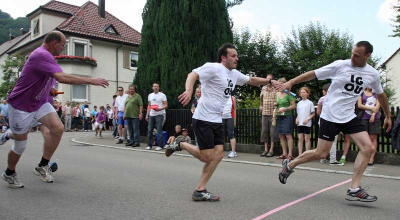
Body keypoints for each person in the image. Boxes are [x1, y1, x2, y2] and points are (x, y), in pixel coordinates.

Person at [277, 41, 392, 202]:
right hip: (330, 115)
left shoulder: (372, 74)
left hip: (349, 116)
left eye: (357, 55)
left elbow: (381, 95)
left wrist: (387, 115)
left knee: (368, 147)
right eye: (352, 53)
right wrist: (291, 82)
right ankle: (289, 165)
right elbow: (313, 73)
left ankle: (354, 188)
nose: (353, 57)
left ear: (367, 56)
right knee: (320, 153)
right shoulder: (340, 65)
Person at [165, 43, 279, 201]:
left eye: (237, 56)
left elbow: (252, 80)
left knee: (218, 155)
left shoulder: (234, 74)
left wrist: (269, 82)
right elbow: (193, 75)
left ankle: (200, 190)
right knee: (206, 157)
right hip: (203, 118)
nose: (236, 58)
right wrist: (189, 90)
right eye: (233, 56)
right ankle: (180, 144)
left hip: (217, 120)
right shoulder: (213, 67)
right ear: (223, 58)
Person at [0, 31, 108, 188]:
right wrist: (91, 80)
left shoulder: (49, 58)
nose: (63, 49)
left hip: (39, 103)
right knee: (20, 145)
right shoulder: (41, 55)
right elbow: (62, 77)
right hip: (21, 105)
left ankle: (42, 165)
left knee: (58, 128)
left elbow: (48, 80)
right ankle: (9, 173)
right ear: (53, 43)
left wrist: (50, 91)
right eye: (63, 45)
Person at [317, 83, 342, 165]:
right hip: (333, 122)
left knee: (322, 141)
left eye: (324, 91)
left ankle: (322, 158)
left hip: (323, 121)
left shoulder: (321, 99)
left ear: (326, 91)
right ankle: (333, 159)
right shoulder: (337, 99)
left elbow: (318, 112)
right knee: (333, 141)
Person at [357, 88, 381, 165]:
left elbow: (377, 106)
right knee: (364, 138)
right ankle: (365, 156)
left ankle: (371, 158)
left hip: (374, 118)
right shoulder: (361, 92)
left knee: (373, 138)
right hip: (363, 118)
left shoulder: (377, 93)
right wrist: (371, 108)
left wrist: (373, 114)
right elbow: (359, 105)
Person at [275, 78, 296, 160]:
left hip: (287, 116)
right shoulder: (277, 94)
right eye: (278, 84)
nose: (278, 86)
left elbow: (294, 106)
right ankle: (284, 153)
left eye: (280, 84)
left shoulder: (289, 94)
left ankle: (290, 155)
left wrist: (285, 109)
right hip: (279, 116)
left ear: (284, 84)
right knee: (281, 135)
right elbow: (277, 104)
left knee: (288, 135)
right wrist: (276, 104)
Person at [259, 74, 278, 157]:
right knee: (264, 132)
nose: (268, 81)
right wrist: (260, 105)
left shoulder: (276, 88)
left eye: (270, 79)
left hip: (273, 113)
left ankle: (271, 150)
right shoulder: (263, 88)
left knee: (273, 132)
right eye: (267, 79)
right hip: (264, 113)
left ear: (272, 80)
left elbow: (280, 97)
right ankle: (266, 149)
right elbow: (261, 98)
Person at [145, 83, 168, 151]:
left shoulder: (162, 95)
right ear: (152, 88)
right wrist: (147, 114)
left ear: (159, 87)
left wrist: (160, 109)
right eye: (154, 86)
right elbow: (149, 105)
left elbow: (166, 105)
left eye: (157, 86)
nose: (155, 87)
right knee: (149, 130)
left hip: (159, 114)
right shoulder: (150, 95)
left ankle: (160, 145)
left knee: (159, 130)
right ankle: (149, 145)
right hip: (151, 114)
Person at [295, 87, 315, 156]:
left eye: (304, 92)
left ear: (307, 93)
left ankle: (307, 154)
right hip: (300, 123)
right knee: (300, 139)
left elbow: (313, 113)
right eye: (301, 92)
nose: (302, 94)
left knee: (307, 139)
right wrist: (297, 119)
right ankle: (300, 154)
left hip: (307, 123)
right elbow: (298, 113)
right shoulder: (299, 103)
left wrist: (308, 119)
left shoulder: (310, 103)